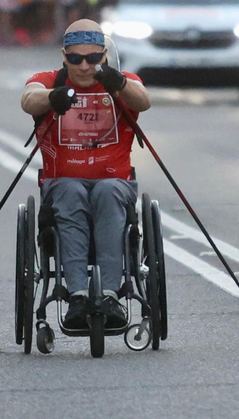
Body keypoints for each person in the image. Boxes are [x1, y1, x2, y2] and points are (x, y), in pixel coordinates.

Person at [20, 20, 152, 332]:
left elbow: (143, 100)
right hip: (62, 182)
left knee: (106, 192)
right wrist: (53, 98)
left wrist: (117, 83)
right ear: (64, 56)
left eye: (93, 58)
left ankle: (109, 294)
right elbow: (28, 98)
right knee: (71, 191)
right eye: (76, 58)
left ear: (104, 56)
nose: (84, 66)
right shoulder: (49, 80)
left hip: (114, 181)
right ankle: (77, 295)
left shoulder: (122, 81)